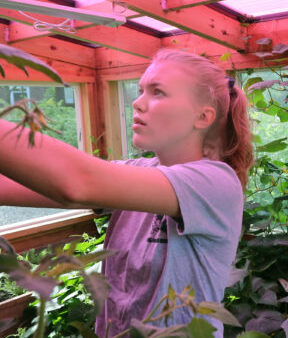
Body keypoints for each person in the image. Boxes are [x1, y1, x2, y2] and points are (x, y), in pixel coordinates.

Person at [0, 49, 254, 337]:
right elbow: (16, 186)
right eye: (140, 90)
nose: (137, 103)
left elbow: (76, 182)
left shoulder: (214, 183)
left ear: (202, 117)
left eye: (157, 92)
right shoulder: (139, 170)